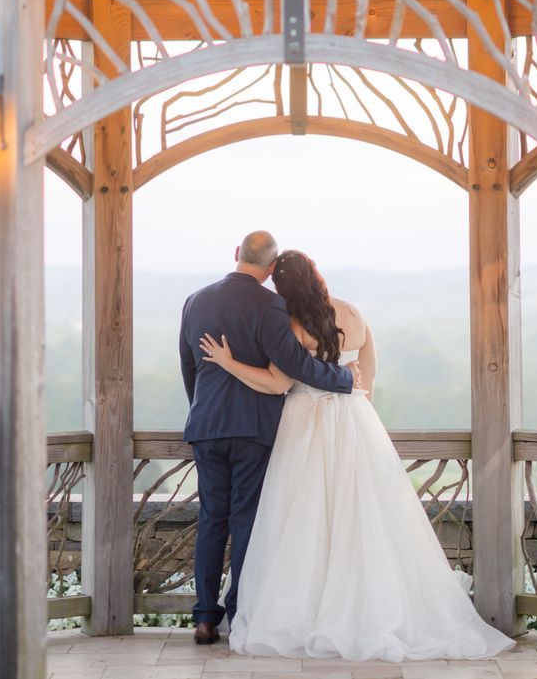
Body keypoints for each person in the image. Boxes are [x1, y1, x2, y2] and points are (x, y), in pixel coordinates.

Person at [196, 249, 514, 662]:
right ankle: (369, 608)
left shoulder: (291, 324)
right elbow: (370, 377)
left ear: (281, 285)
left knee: (303, 520)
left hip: (305, 426)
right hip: (357, 423)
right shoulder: (354, 314)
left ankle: (304, 610)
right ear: (317, 274)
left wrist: (228, 362)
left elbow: (277, 385)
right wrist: (358, 418)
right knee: (361, 520)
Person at [177, 230, 357, 645]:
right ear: (272, 267)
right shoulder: (271, 305)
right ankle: (240, 614)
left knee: (211, 519)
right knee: (244, 521)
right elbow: (295, 364)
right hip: (254, 427)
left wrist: (202, 410)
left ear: (237, 253)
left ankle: (204, 619)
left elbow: (189, 367)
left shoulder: (195, 300)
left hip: (206, 427)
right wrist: (344, 379)